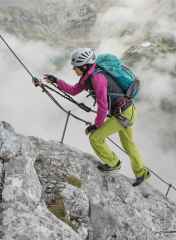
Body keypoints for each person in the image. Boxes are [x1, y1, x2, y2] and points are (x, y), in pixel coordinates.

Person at [44, 48, 150, 186]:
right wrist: (56, 81)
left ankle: (113, 163)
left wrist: (97, 125)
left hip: (123, 114)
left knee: (95, 138)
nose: (74, 70)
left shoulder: (97, 79)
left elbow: (103, 106)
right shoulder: (88, 77)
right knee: (128, 144)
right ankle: (142, 172)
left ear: (84, 66)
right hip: (127, 112)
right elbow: (73, 90)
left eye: (75, 67)